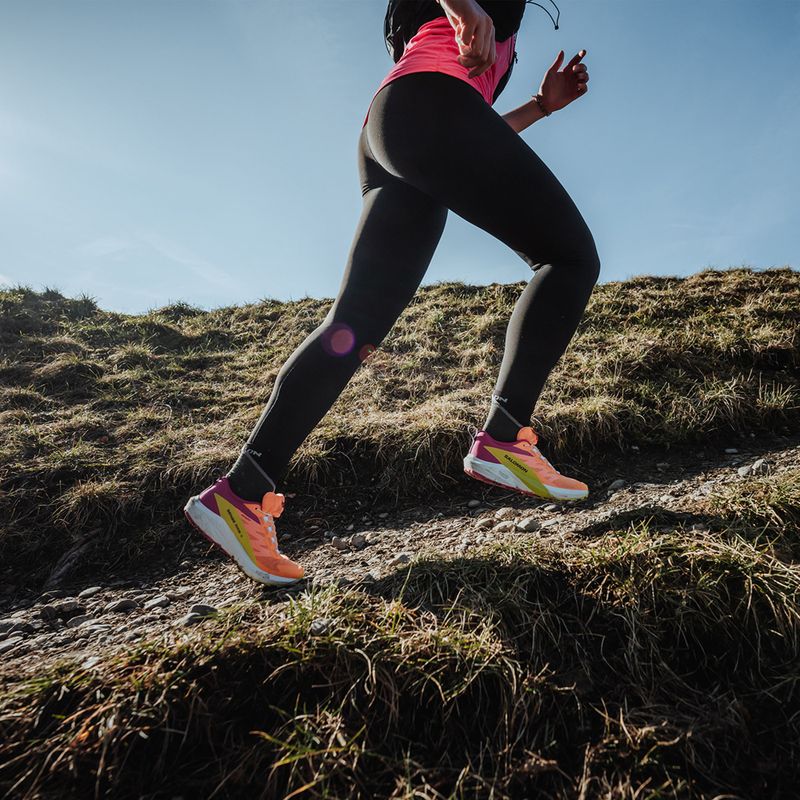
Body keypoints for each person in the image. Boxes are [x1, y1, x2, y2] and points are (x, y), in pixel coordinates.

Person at [184, 0, 597, 586]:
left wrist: (539, 107)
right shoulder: (468, 16)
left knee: (354, 327)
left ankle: (242, 493)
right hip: (425, 112)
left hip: (402, 130)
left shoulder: (460, 46)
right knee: (569, 256)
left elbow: (470, 141)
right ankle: (505, 437)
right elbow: (456, 125)